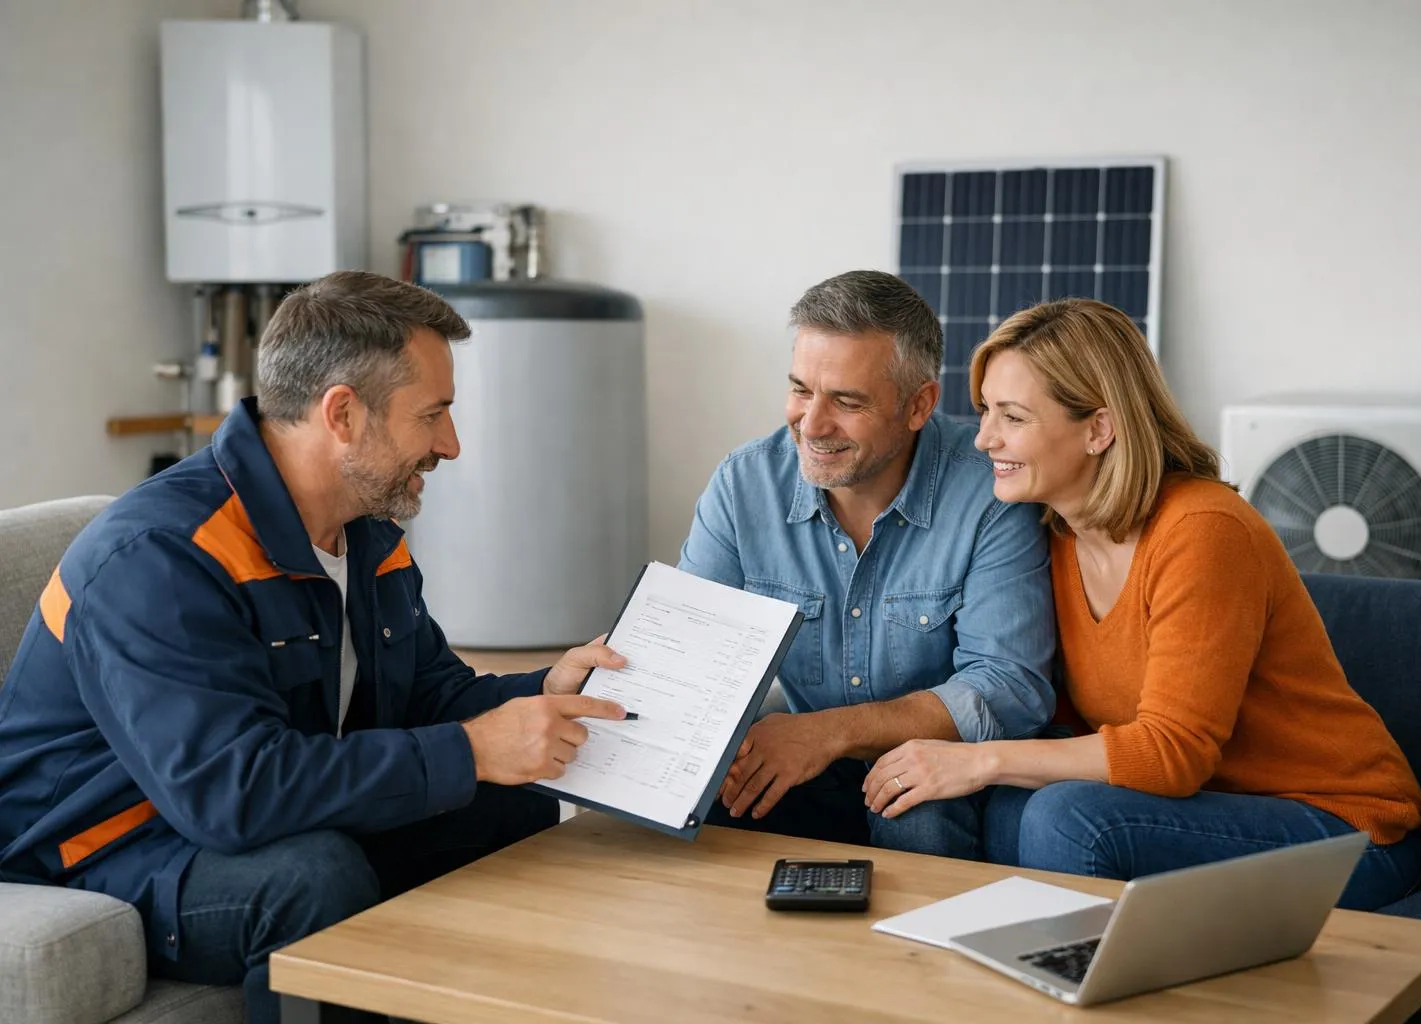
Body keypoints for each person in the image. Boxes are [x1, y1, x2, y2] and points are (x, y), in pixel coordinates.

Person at [0, 271, 630, 1023]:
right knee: (312, 878)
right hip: (107, 848)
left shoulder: (365, 533)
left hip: (237, 809)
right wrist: (471, 751)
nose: (451, 445)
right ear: (343, 414)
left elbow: (430, 694)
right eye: (432, 415)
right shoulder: (162, 556)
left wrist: (545, 691)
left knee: (511, 803)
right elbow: (231, 794)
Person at [862, 297, 1421, 910]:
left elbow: (1173, 754)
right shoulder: (1053, 533)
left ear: (1099, 429)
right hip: (1197, 811)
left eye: (1013, 417)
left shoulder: (1203, 531)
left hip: (1345, 830)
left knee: (1066, 818)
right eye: (984, 410)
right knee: (1008, 810)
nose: (984, 438)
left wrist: (980, 760)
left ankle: (1080, 972)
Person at [677, 270, 1056, 860]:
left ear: (919, 405)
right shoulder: (743, 484)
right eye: (801, 390)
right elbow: (689, 657)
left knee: (917, 812)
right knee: (704, 799)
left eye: (847, 402)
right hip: (800, 759)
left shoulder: (990, 491)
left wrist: (830, 732)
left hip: (940, 772)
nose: (812, 424)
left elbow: (1009, 688)